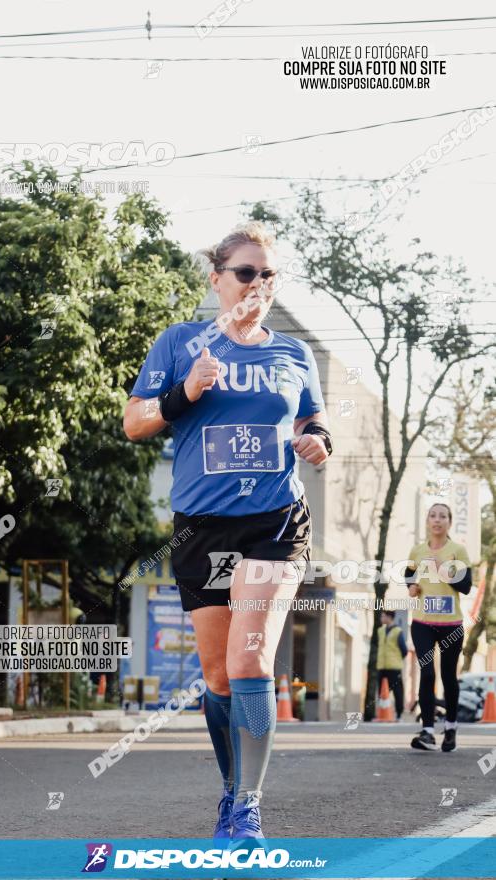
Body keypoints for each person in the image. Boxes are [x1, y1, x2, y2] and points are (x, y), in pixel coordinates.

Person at [123, 222, 332, 841]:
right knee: (217, 677)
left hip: (275, 520)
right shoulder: (180, 343)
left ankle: (248, 807)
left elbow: (314, 420)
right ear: (217, 279)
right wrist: (185, 394)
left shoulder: (293, 355)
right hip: (202, 526)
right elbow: (136, 423)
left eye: (269, 274)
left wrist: (318, 442)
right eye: (246, 271)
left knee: (251, 659)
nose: (258, 283)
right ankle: (231, 787)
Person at [405, 502, 473, 752]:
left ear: (449, 522)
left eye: (442, 516)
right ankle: (427, 731)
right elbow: (409, 574)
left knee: (448, 676)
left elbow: (466, 585)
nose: (437, 520)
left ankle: (451, 727)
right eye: (432, 515)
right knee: (427, 673)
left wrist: (441, 571)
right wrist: (411, 587)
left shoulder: (458, 550)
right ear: (427, 521)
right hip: (422, 622)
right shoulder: (417, 550)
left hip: (451, 624)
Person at [376, 609, 407, 719]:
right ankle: (383, 714)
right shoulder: (380, 631)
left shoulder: (398, 631)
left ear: (389, 617)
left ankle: (399, 714)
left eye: (383, 616)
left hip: (394, 667)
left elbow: (404, 650)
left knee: (398, 692)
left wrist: (397, 659)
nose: (381, 619)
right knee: (382, 691)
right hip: (382, 666)